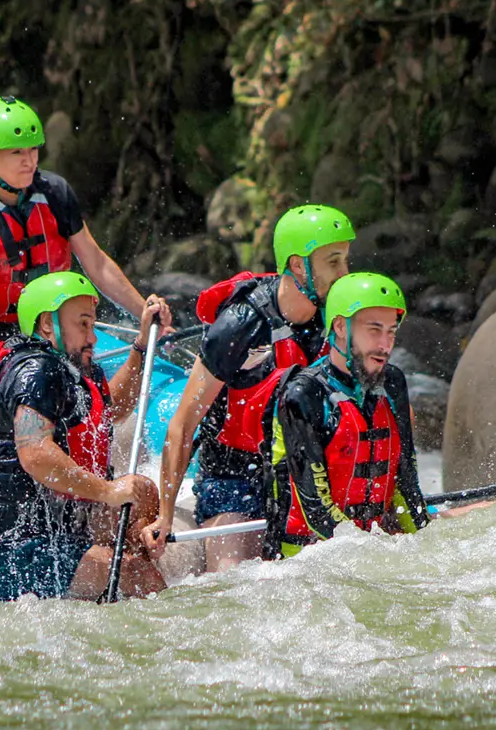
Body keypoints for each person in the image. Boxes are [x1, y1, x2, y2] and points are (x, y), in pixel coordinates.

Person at [142, 205, 353, 571]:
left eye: (346, 261)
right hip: (235, 478)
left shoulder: (336, 318)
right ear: (299, 265)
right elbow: (183, 423)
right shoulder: (240, 324)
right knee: (234, 581)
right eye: (333, 262)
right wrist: (163, 515)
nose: (344, 274)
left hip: (306, 473)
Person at [0, 271, 171, 600]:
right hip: (15, 553)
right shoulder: (34, 371)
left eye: (93, 325)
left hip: (60, 526)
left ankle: (111, 588)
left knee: (141, 492)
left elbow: (114, 409)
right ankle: (125, 588)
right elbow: (35, 454)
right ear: (47, 324)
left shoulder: (71, 370)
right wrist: (107, 490)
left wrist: (142, 344)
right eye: (83, 324)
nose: (93, 337)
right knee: (139, 575)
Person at [0, 96, 148, 372]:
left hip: (45, 325)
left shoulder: (54, 193)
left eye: (33, 150)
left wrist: (144, 314)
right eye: (16, 153)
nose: (29, 160)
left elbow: (96, 262)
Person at [261, 272, 429, 559]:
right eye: (374, 330)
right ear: (340, 326)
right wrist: (373, 556)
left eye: (391, 331)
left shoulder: (392, 383)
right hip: (303, 560)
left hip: (367, 548)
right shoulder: (303, 395)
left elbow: (406, 479)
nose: (385, 344)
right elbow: (314, 505)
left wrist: (427, 545)